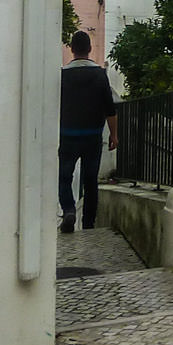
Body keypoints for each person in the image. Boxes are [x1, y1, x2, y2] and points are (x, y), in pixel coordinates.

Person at [58, 30, 118, 234]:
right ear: (90, 49)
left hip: (67, 134)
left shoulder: (63, 75)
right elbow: (110, 109)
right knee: (91, 180)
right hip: (92, 135)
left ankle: (68, 210)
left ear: (72, 49)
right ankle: (89, 223)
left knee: (65, 176)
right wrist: (114, 134)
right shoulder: (100, 75)